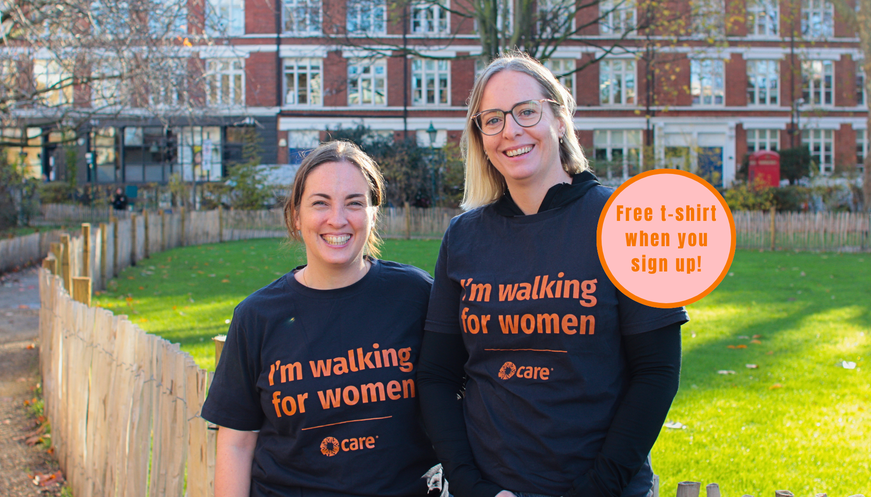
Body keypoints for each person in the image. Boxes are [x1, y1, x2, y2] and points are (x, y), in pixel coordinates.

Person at [417, 53, 689, 497]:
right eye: (492, 119)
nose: (511, 131)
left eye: (526, 111)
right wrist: (470, 485)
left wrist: (599, 490)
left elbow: (657, 372)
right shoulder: (464, 237)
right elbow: (436, 375)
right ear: (480, 136)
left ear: (559, 120)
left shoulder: (626, 223)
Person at [201, 141, 438, 497]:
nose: (337, 219)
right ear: (296, 215)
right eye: (320, 203)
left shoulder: (416, 296)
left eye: (355, 203)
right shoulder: (257, 317)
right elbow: (237, 444)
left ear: (374, 213)